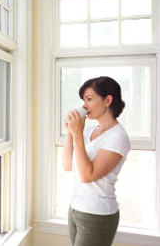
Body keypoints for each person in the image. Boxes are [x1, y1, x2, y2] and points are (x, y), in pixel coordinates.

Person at [63, 76, 130, 246]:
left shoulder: (118, 137)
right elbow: (67, 165)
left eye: (89, 99)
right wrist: (71, 132)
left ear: (108, 100)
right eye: (83, 100)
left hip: (97, 214)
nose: (84, 105)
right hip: (75, 209)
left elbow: (87, 175)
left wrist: (78, 133)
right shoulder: (89, 130)